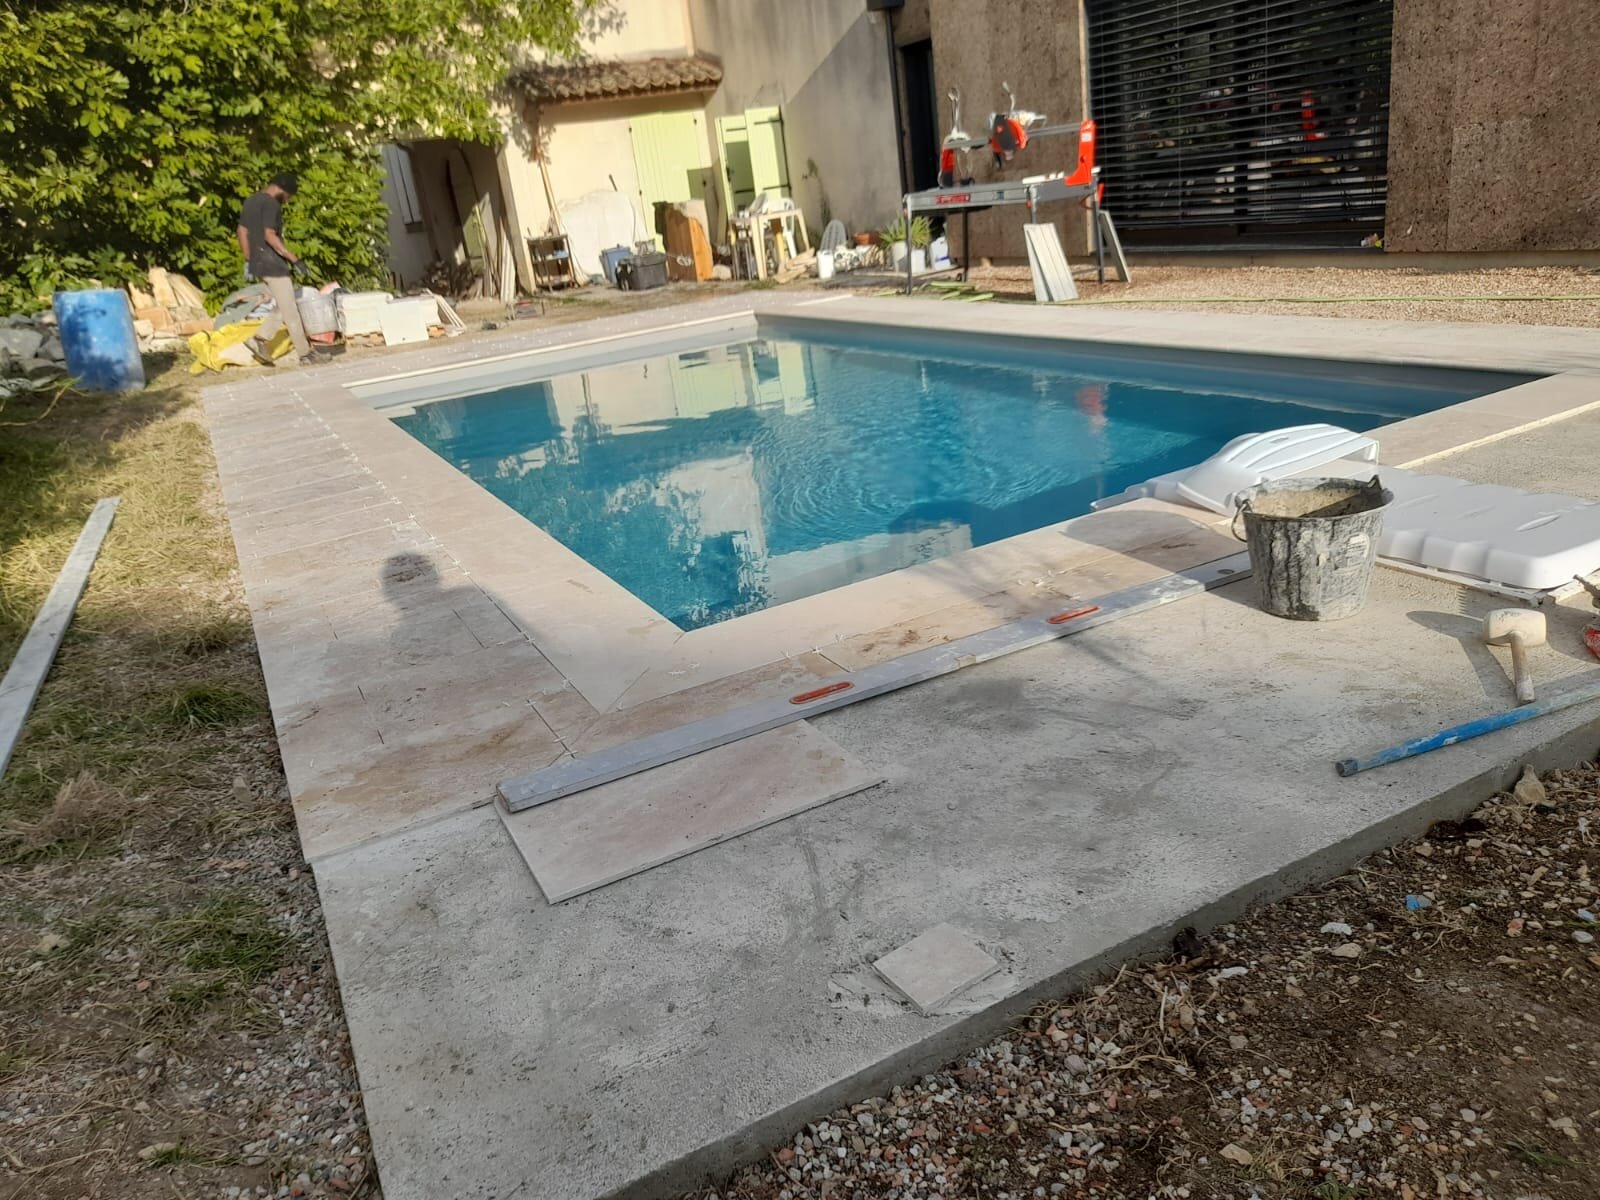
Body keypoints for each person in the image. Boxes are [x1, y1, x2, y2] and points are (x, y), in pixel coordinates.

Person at [236, 174, 319, 366]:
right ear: (282, 189)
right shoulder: (272, 204)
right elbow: (270, 235)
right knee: (290, 309)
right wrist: (295, 259)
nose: (287, 200)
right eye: (288, 196)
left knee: (283, 304)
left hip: (258, 262)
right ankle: (306, 354)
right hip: (272, 263)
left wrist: (248, 259)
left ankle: (259, 338)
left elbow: (241, 231)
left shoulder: (252, 200)